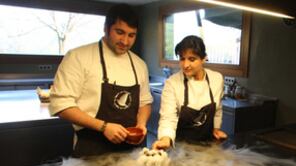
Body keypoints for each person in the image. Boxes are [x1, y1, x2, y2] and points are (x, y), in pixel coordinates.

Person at [49, 4, 152, 157]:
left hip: (132, 150)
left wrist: (141, 124)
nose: (125, 41)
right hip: (92, 148)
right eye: (120, 32)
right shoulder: (78, 57)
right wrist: (104, 127)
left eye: (131, 35)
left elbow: (145, 102)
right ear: (106, 28)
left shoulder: (139, 64)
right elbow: (61, 106)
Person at [152, 35, 227, 150]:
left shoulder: (217, 79)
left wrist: (216, 129)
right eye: (182, 59)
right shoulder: (172, 83)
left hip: (208, 147)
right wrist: (165, 138)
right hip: (181, 149)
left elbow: (218, 109)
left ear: (203, 59)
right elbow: (168, 117)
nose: (185, 65)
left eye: (192, 59)